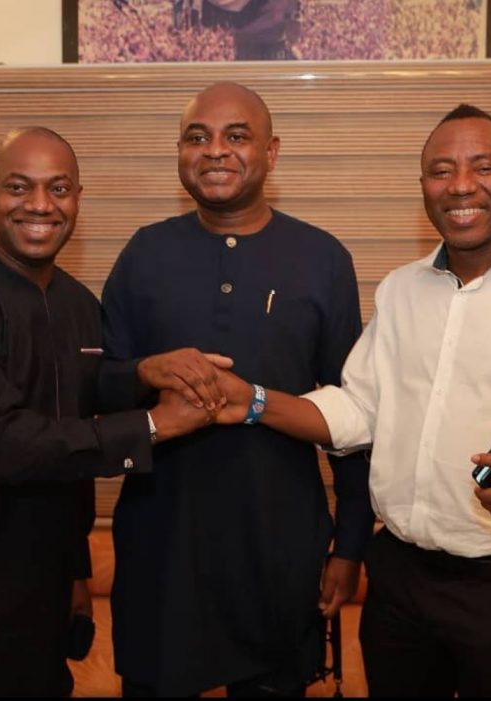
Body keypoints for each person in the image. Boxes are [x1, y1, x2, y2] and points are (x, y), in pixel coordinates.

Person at [213, 104, 491, 697]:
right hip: (399, 577)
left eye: (483, 167)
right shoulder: (401, 290)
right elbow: (359, 412)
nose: (460, 186)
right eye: (440, 170)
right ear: (423, 186)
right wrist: (249, 400)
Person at [0, 127, 221, 697]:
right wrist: (156, 423)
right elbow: (7, 443)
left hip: (40, 603)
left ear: (78, 198)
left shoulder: (79, 305)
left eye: (58, 188)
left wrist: (77, 571)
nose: (40, 205)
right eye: (20, 187)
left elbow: (72, 441)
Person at [99, 82, 374, 697]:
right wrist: (146, 371)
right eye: (198, 137)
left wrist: (349, 543)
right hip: (160, 551)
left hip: (277, 550)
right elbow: (97, 389)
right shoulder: (144, 252)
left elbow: (355, 413)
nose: (215, 150)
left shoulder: (322, 258)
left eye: (236, 136)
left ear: (271, 153)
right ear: (179, 154)